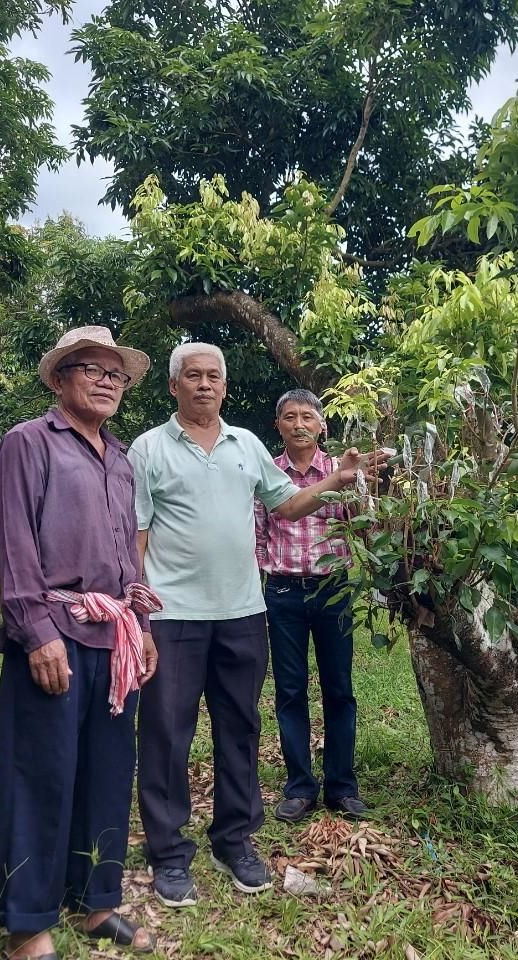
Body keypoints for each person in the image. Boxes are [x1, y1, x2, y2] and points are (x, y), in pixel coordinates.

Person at [129, 343, 384, 908]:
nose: (203, 384)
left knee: (240, 727)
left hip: (244, 612)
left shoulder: (247, 446)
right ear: (174, 386)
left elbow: (287, 505)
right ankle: (169, 850)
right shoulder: (147, 449)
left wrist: (338, 481)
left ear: (224, 385)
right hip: (172, 617)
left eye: (213, 376)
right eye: (191, 376)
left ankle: (233, 839)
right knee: (168, 732)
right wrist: (140, 613)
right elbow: (137, 536)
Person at [0, 326, 161, 960]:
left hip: (113, 637)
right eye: (90, 368)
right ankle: (27, 922)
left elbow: (127, 557)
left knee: (107, 772)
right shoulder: (29, 442)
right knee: (40, 774)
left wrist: (141, 628)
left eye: (115, 373)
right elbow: (14, 546)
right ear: (59, 379)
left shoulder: (119, 458)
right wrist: (36, 632)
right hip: (56, 630)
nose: (107, 380)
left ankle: (96, 903)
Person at [254, 389, 367, 823]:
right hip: (283, 594)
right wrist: (266, 575)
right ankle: (300, 787)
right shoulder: (267, 472)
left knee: (339, 689)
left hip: (333, 590)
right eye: (289, 417)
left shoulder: (342, 472)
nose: (299, 424)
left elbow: (362, 524)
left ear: (322, 424)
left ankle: (342, 786)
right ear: (278, 424)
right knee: (289, 690)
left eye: (307, 417)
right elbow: (259, 533)